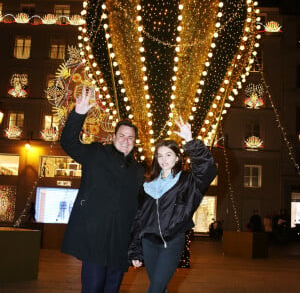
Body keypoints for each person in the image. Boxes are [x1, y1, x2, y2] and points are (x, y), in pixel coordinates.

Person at [60, 86, 144, 293]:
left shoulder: (138, 170)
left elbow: (139, 208)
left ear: (135, 142)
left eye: (131, 138)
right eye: (122, 136)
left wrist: (136, 246)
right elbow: (68, 142)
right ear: (114, 137)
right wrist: (78, 113)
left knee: (112, 289)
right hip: (95, 237)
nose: (126, 141)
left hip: (120, 241)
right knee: (93, 287)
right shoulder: (96, 153)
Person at [128, 118, 217, 293]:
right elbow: (139, 220)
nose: (163, 159)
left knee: (154, 289)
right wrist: (135, 250)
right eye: (159, 155)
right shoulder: (147, 185)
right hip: (149, 243)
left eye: (168, 154)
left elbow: (207, 170)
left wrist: (191, 142)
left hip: (172, 242)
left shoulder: (187, 181)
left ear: (177, 157)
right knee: (160, 288)